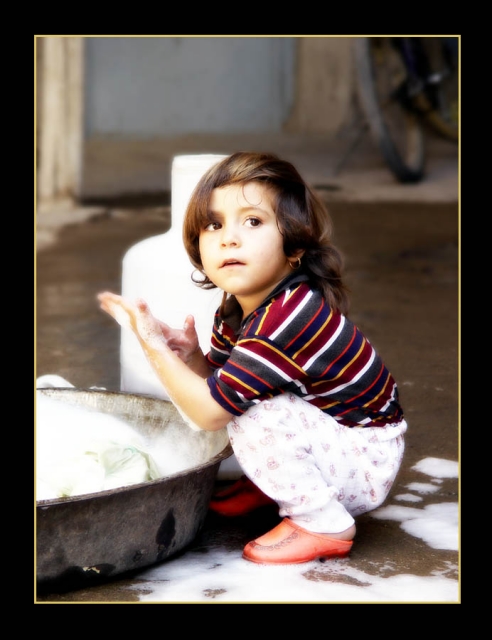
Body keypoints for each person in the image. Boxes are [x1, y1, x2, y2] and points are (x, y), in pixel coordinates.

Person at [98, 151, 407, 565]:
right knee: (241, 394)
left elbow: (211, 411)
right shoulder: (238, 307)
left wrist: (152, 346)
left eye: (253, 221)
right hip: (335, 441)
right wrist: (190, 356)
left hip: (365, 458)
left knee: (251, 410)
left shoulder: (288, 317)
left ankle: (323, 522)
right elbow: (219, 381)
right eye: (214, 225)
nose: (229, 238)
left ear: (294, 246)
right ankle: (277, 484)